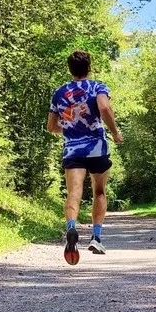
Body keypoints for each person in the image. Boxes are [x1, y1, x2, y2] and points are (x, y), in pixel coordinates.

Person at [47, 50, 123, 265]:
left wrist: (71, 130)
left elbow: (51, 127)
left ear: (70, 69)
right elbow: (104, 107)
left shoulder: (59, 92)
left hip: (73, 149)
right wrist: (115, 132)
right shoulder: (98, 86)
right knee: (99, 191)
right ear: (89, 68)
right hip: (97, 148)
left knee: (74, 191)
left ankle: (71, 227)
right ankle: (96, 237)